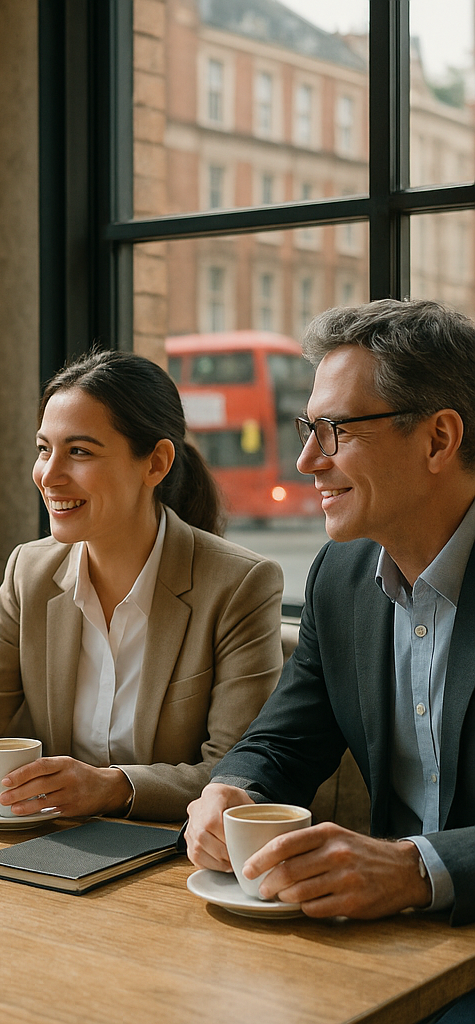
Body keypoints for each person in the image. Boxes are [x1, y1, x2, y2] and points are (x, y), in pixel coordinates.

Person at [185, 300, 475, 947]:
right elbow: (284, 740)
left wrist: (417, 870)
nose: (308, 461)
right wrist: (234, 792)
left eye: (337, 430)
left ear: (439, 439)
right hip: (386, 938)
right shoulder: (340, 578)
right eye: (307, 429)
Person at [0, 349, 284, 821]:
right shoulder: (30, 570)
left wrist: (115, 788)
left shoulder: (239, 585)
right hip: (46, 844)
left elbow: (236, 773)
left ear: (156, 464)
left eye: (79, 452)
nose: (48, 476)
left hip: (175, 859)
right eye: (43, 449)